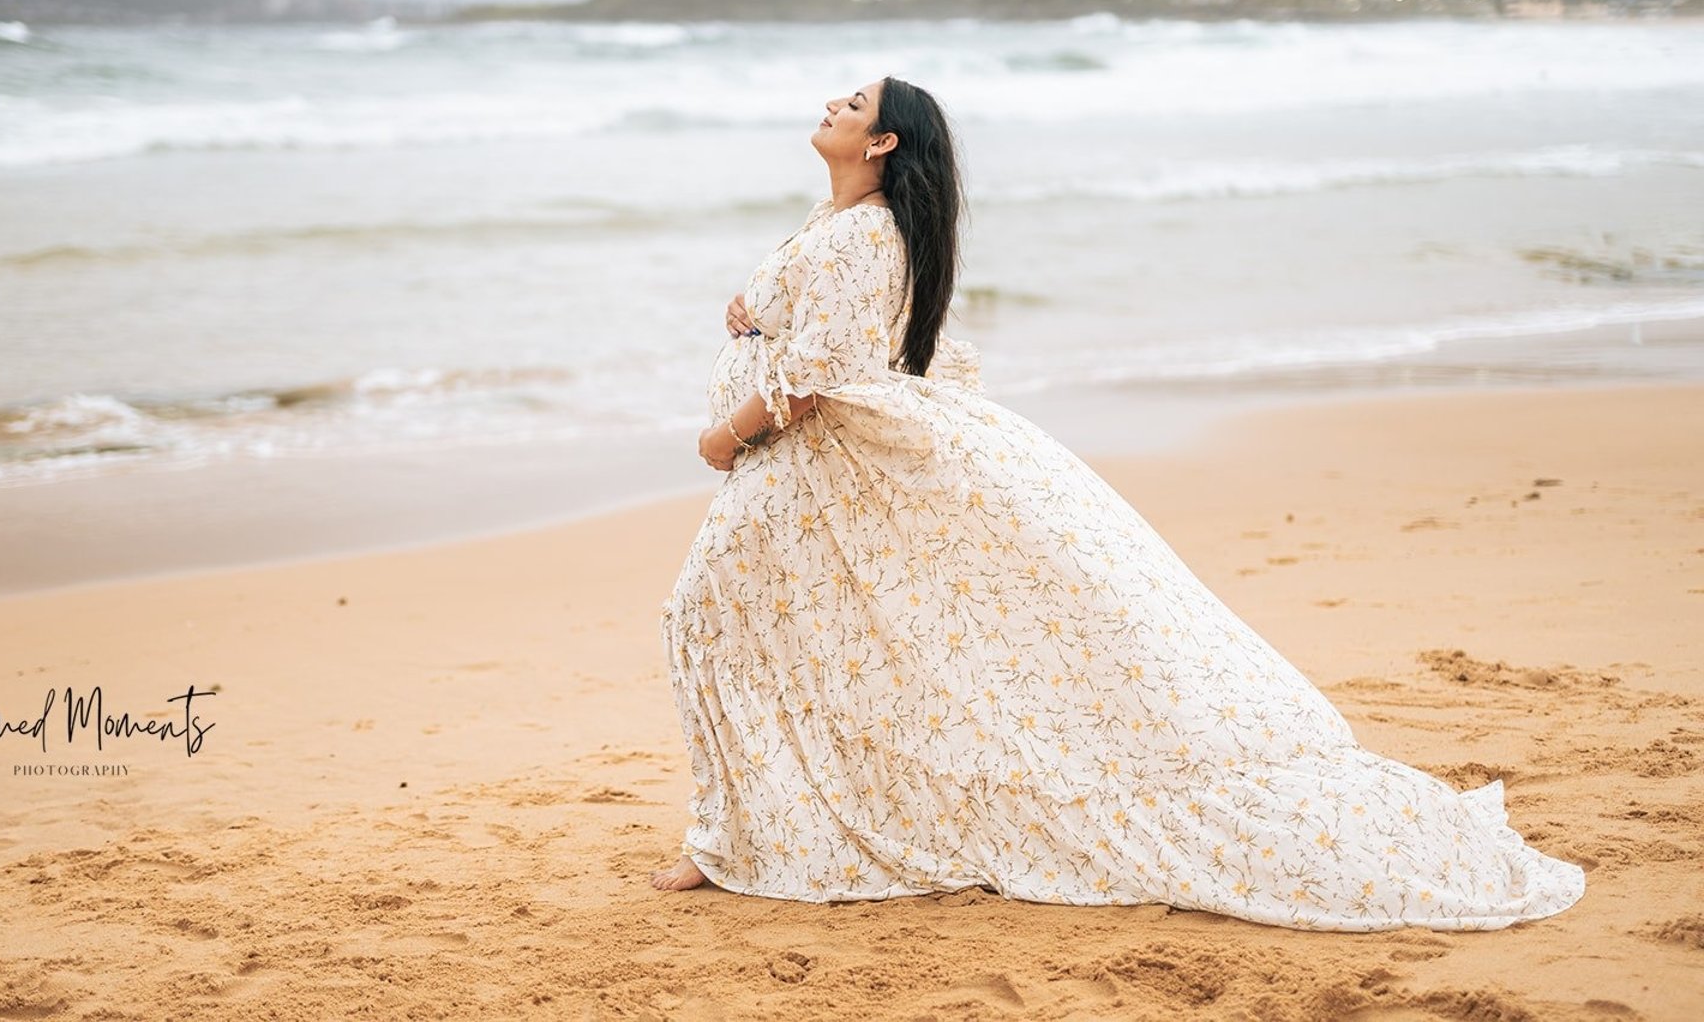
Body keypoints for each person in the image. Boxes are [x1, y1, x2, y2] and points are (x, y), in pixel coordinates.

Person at [649, 76, 1586, 931]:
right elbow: (844, 329)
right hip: (810, 478)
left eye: (851, 103)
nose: (831, 105)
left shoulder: (863, 232)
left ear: (886, 142)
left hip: (803, 467)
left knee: (710, 616)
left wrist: (724, 436)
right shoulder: (845, 221)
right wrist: (757, 311)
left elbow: (825, 370)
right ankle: (751, 832)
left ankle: (738, 839)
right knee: (779, 636)